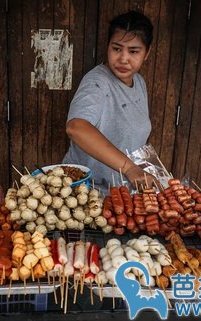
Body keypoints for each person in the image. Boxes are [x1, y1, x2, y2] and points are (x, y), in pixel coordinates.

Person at [63, 10, 156, 194]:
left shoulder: (139, 83)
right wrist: (129, 168)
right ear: (108, 47)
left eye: (133, 51)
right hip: (86, 193)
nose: (123, 58)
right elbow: (76, 127)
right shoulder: (97, 83)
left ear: (147, 53)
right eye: (116, 48)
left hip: (122, 193)